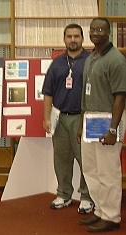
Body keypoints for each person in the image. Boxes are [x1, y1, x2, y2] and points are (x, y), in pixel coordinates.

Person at [77, 17, 126, 233]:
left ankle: (112, 217)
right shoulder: (91, 58)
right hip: (90, 120)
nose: (96, 32)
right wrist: (81, 124)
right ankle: (100, 211)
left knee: (108, 172)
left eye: (101, 29)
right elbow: (85, 94)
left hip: (108, 121)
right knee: (91, 170)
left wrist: (113, 129)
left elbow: (121, 96)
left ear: (109, 33)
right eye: (93, 29)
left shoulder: (116, 60)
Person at [42, 23, 93, 213]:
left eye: (76, 36)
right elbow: (47, 93)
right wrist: (46, 118)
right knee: (61, 159)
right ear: (64, 39)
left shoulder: (90, 61)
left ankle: (87, 197)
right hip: (60, 118)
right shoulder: (57, 64)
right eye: (69, 36)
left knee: (85, 160)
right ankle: (64, 194)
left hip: (82, 118)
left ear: (82, 38)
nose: (73, 40)